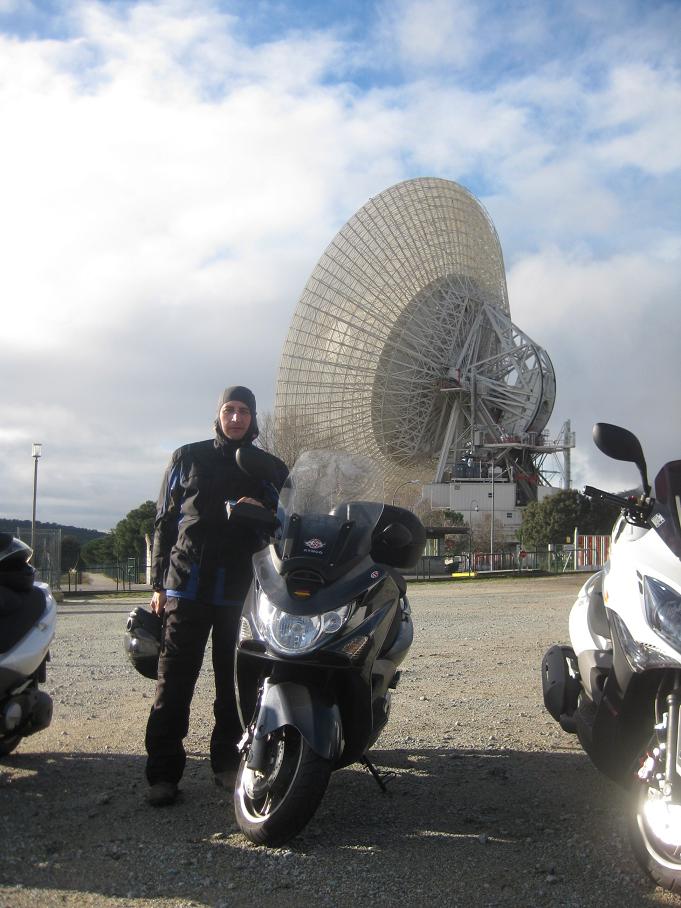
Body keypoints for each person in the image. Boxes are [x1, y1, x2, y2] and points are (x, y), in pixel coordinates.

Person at [144, 386, 288, 807]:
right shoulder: (187, 457)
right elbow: (164, 521)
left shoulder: (268, 469)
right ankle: (163, 774)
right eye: (230, 410)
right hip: (187, 583)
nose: (236, 418)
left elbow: (285, 520)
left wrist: (261, 510)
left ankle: (227, 763)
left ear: (253, 418)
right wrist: (158, 585)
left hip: (238, 590)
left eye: (244, 411)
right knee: (174, 682)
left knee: (235, 685)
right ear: (219, 415)